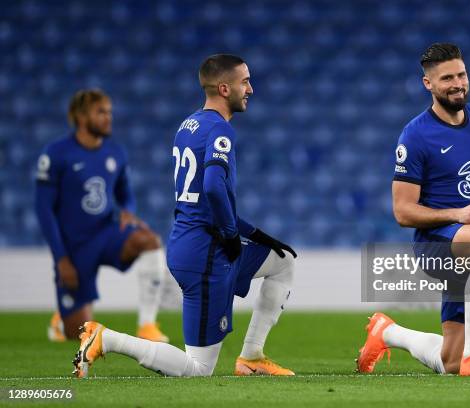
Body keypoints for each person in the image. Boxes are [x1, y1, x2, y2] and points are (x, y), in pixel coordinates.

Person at [72, 54, 297, 378]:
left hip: (193, 242)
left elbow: (204, 199)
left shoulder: (187, 125)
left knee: (282, 261)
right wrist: (233, 235)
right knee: (198, 368)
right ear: (223, 88)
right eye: (245, 81)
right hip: (207, 252)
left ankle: (252, 357)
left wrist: (257, 236)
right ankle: (105, 339)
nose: (250, 89)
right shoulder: (221, 131)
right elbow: (214, 189)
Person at [357, 43, 470, 376]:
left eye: (461, 74)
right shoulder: (416, 135)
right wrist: (457, 214)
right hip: (436, 243)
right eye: (446, 77)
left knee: (450, 363)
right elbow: (403, 212)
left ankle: (386, 332)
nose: (457, 83)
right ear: (428, 85)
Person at [35, 89, 170, 343]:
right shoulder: (56, 154)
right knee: (81, 334)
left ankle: (147, 325)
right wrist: (61, 259)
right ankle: (61, 323)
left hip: (106, 233)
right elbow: (43, 210)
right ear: (81, 116)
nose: (108, 118)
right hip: (74, 247)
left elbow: (125, 192)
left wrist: (128, 211)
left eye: (109, 112)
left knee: (149, 240)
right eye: (101, 112)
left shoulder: (115, 152)